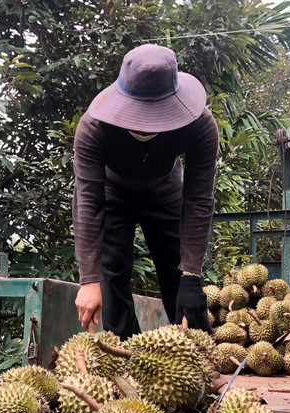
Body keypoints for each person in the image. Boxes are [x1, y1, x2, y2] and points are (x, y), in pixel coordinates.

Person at [72, 44, 219, 340]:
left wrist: (192, 273)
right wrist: (88, 280)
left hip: (166, 191)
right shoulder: (93, 128)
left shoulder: (199, 125)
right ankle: (125, 363)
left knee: (182, 284)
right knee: (111, 276)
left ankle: (201, 357)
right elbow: (88, 201)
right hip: (114, 194)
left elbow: (199, 199)